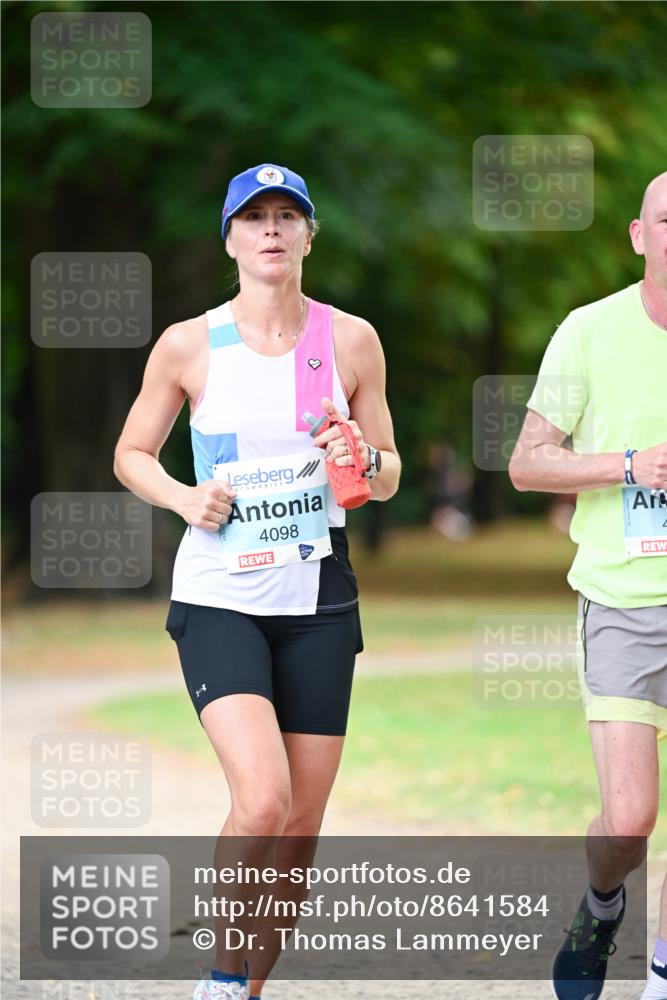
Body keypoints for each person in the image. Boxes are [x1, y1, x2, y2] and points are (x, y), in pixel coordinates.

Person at [113, 162, 401, 1000]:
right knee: (264, 802)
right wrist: (182, 495)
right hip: (219, 595)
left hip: (318, 596)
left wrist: (360, 454)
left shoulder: (350, 340)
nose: (271, 230)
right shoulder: (189, 343)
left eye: (288, 216)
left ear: (310, 235)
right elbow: (131, 453)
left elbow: (385, 474)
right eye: (254, 217)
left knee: (302, 828)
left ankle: (248, 989)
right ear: (230, 237)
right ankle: (216, 977)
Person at [509, 171, 667, 1000]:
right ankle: (600, 904)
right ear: (640, 237)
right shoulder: (588, 331)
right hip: (621, 601)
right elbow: (527, 462)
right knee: (629, 819)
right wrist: (631, 465)